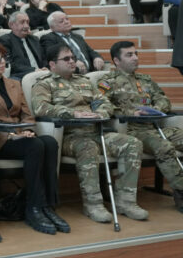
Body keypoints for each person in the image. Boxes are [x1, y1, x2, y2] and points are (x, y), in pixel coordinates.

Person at [32, 43, 147, 222]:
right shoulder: (44, 84)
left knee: (132, 143)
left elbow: (104, 102)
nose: (72, 62)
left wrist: (100, 113)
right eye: (66, 59)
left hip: (96, 130)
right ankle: (93, 204)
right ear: (52, 64)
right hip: (70, 136)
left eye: (73, 58)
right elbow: (41, 108)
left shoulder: (85, 81)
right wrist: (73, 114)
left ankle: (126, 201)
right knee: (87, 147)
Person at [0, 42, 67, 234]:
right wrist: (12, 134)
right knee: (35, 145)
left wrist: (27, 130)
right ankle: (34, 207)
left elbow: (26, 113)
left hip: (22, 135)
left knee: (50, 142)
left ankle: (48, 206)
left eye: (3, 58)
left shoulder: (14, 83)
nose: (2, 62)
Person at [99, 41, 183, 213]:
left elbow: (163, 99)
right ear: (116, 60)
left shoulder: (145, 80)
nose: (135, 58)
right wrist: (131, 112)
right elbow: (102, 106)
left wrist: (156, 110)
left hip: (154, 125)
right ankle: (181, 192)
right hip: (132, 129)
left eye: (136, 53)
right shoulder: (107, 81)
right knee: (163, 146)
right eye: (129, 55)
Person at [40, 11, 104, 74]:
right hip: (71, 75)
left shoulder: (78, 37)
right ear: (52, 27)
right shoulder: (48, 38)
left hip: (90, 72)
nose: (66, 22)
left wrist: (97, 57)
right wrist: (74, 61)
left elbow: (90, 51)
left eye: (67, 19)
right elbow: (54, 57)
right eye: (61, 21)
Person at [0, 12, 47, 80]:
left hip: (41, 73)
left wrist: (45, 68)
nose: (26, 26)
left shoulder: (34, 39)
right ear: (11, 25)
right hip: (21, 75)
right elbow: (9, 64)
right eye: (22, 22)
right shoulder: (4, 40)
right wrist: (33, 70)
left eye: (27, 22)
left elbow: (43, 59)